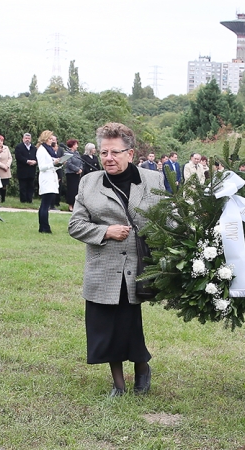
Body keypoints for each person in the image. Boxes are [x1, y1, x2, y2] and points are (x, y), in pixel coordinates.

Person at [69, 122, 164, 397]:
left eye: (115, 152)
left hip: (137, 266)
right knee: (105, 326)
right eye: (104, 152)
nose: (108, 158)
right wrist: (105, 231)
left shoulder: (153, 180)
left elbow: (169, 217)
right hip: (104, 268)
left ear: (130, 154)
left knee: (129, 323)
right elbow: (75, 225)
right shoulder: (89, 182)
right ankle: (118, 384)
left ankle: (142, 368)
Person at [36, 130, 60, 233]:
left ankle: (43, 227)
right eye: (50, 139)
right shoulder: (41, 150)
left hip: (51, 177)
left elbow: (51, 163)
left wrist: (59, 163)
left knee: (45, 204)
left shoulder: (48, 149)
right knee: (45, 205)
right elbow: (42, 167)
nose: (52, 141)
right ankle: (45, 227)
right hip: (46, 179)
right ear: (45, 139)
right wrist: (53, 163)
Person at [15, 133, 38, 203]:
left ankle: (29, 200)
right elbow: (18, 157)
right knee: (23, 186)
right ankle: (23, 200)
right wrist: (27, 161)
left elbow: (37, 157)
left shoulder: (34, 148)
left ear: (30, 139)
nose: (27, 140)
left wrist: (35, 161)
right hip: (22, 169)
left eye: (28, 138)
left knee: (30, 186)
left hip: (31, 170)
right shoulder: (19, 147)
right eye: (26, 138)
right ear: (23, 139)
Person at [64, 139, 84, 211]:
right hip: (70, 174)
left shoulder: (77, 153)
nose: (77, 146)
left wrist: (80, 169)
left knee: (76, 189)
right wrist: (76, 169)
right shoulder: (67, 153)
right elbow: (68, 163)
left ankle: (76, 204)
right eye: (76, 144)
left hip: (77, 174)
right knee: (71, 189)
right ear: (72, 145)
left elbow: (81, 161)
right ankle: (70, 205)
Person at [0, 135, 12, 203]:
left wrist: (7, 165)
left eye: (2, 141)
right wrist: (3, 166)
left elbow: (10, 158)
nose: (0, 142)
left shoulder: (6, 148)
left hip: (6, 169)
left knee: (4, 185)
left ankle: (3, 198)